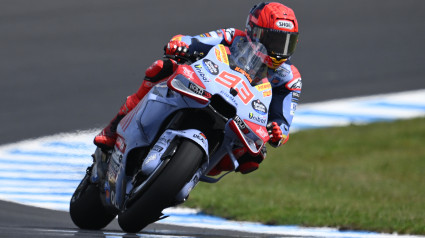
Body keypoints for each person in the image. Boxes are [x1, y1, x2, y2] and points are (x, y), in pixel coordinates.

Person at [93, 2, 302, 174]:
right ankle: (115, 126)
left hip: (243, 112)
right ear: (254, 32)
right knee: (162, 68)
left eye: (286, 43)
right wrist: (180, 45)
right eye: (274, 40)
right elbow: (195, 42)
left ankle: (193, 170)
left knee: (254, 156)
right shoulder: (232, 37)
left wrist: (277, 131)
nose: (279, 51)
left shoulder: (289, 78)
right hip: (207, 85)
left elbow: (283, 120)